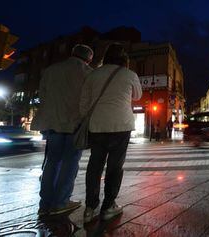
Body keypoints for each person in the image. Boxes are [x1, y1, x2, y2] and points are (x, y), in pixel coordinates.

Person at [80, 43, 142, 223]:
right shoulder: (129, 74)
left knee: (95, 165)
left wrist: (88, 118)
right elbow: (137, 95)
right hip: (121, 125)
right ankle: (109, 206)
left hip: (97, 125)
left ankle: (90, 207)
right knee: (115, 166)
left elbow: (84, 102)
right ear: (124, 59)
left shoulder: (93, 74)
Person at [31, 44, 94, 215]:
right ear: (89, 59)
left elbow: (42, 96)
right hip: (74, 124)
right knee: (70, 163)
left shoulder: (51, 70)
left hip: (52, 124)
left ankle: (45, 203)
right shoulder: (88, 73)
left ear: (72, 54)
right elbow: (89, 101)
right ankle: (60, 201)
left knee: (52, 162)